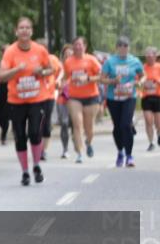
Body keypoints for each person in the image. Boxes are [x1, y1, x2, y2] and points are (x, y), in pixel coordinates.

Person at [0, 18, 52, 186]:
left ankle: (36, 165)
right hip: (16, 100)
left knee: (35, 132)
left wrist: (41, 71)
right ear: (16, 31)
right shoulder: (10, 52)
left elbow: (51, 69)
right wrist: (17, 69)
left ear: (31, 31)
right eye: (21, 28)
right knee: (20, 136)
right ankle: (25, 172)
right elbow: (1, 76)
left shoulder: (40, 50)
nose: (24, 30)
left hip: (37, 99)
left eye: (27, 28)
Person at [100, 36, 145, 168]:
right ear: (117, 47)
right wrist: (113, 81)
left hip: (129, 97)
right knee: (117, 127)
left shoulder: (134, 61)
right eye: (121, 45)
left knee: (126, 124)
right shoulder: (110, 62)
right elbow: (102, 79)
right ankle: (120, 151)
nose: (123, 48)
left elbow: (143, 75)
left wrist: (139, 82)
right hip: (113, 98)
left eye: (126, 45)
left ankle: (129, 156)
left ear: (129, 47)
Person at [63, 36, 102, 160]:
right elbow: (65, 77)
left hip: (91, 96)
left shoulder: (92, 60)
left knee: (89, 127)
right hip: (74, 97)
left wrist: (88, 79)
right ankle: (80, 153)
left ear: (85, 46)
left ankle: (89, 142)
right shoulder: (68, 61)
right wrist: (64, 83)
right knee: (77, 123)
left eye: (80, 44)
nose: (78, 47)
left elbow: (102, 75)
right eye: (75, 44)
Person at [37, 37, 63, 161]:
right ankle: (37, 147)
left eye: (43, 47)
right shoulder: (32, 60)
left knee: (46, 123)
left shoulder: (52, 59)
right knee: (36, 123)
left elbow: (61, 69)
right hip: (35, 96)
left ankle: (43, 150)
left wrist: (58, 79)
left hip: (49, 95)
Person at [56, 44, 74, 159]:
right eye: (66, 55)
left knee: (75, 124)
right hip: (62, 98)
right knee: (64, 123)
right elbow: (54, 79)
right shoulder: (59, 67)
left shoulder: (77, 66)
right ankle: (65, 149)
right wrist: (58, 82)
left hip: (75, 98)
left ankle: (78, 145)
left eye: (70, 54)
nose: (68, 57)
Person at [141, 46, 159, 152]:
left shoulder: (159, 67)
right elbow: (138, 81)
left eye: (151, 55)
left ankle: (159, 134)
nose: (149, 57)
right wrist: (142, 84)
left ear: (155, 56)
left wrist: (157, 81)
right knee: (148, 121)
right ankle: (151, 142)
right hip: (146, 97)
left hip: (158, 97)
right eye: (147, 56)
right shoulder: (142, 68)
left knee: (158, 122)